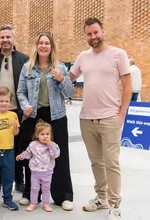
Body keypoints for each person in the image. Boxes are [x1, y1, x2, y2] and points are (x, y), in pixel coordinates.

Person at [69, 17, 132, 220]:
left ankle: (115, 204)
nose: (93, 37)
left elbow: (128, 87)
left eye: (96, 32)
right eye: (89, 34)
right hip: (87, 118)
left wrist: (121, 114)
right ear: (86, 35)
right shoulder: (83, 57)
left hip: (109, 118)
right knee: (96, 162)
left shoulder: (118, 54)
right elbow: (68, 78)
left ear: (102, 31)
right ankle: (101, 197)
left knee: (111, 163)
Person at [17, 31, 75, 210]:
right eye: (41, 43)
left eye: (47, 43)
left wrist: (61, 79)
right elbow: (21, 92)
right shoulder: (27, 67)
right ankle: (30, 193)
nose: (43, 46)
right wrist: (25, 105)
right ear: (36, 46)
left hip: (56, 116)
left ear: (51, 47)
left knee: (59, 154)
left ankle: (62, 196)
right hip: (33, 116)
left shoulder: (61, 68)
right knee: (32, 153)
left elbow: (70, 93)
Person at [0, 24, 28, 193]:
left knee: (16, 147)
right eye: (2, 37)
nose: (5, 40)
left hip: (16, 110)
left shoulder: (23, 59)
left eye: (8, 37)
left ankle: (18, 179)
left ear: (13, 38)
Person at [16, 120, 60, 212]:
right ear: (37, 135)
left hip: (47, 172)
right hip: (35, 172)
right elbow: (28, 153)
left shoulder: (53, 145)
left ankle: (46, 203)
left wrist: (50, 145)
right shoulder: (33, 145)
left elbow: (55, 155)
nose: (45, 136)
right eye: (42, 134)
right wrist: (22, 155)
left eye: (47, 134)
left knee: (46, 189)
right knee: (34, 188)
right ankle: (33, 203)